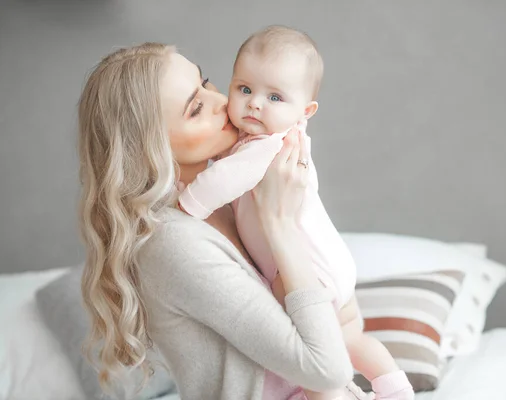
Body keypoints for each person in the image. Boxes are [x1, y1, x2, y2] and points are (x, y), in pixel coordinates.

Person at [77, 42, 374, 400]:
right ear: (149, 148)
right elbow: (328, 370)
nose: (225, 102)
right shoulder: (171, 243)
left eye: (206, 82)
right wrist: (280, 226)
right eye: (196, 108)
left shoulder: (226, 198)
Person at [178, 26, 414, 400]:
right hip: (332, 261)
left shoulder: (269, 146)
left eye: (274, 96)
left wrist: (189, 204)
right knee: (351, 338)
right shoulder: (273, 138)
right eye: (244, 89)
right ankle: (396, 389)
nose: (255, 103)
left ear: (305, 111)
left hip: (304, 271)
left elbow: (222, 181)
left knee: (305, 355)